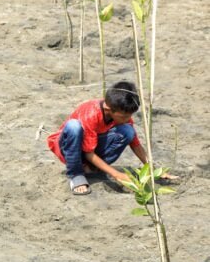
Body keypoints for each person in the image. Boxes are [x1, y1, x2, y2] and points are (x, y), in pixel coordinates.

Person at [47, 81, 177, 195]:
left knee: (128, 131)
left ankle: (91, 168)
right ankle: (76, 174)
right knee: (73, 127)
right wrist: (117, 175)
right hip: (69, 148)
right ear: (108, 109)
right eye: (124, 116)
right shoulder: (90, 114)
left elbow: (135, 144)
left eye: (129, 116)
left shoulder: (120, 113)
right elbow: (88, 153)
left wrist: (153, 169)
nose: (127, 119)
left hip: (91, 147)